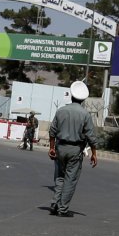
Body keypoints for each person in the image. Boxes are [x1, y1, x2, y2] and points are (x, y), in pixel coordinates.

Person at [48, 81, 98, 217]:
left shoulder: (61, 111)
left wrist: (52, 148)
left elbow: (52, 132)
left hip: (60, 148)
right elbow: (91, 137)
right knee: (70, 179)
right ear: (83, 99)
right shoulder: (85, 115)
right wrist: (94, 154)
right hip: (75, 150)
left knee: (59, 177)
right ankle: (62, 209)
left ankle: (54, 204)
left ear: (71, 96)